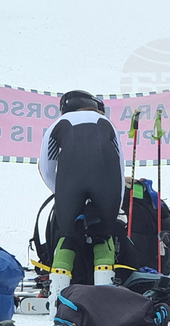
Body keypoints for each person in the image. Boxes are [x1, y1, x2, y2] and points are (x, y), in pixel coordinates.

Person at [39, 90, 125, 313]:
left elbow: (46, 167)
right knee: (103, 237)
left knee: (67, 238)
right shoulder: (106, 124)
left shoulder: (58, 123)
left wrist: (62, 193)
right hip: (108, 184)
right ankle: (105, 309)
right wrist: (118, 200)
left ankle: (56, 306)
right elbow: (120, 166)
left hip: (69, 185)